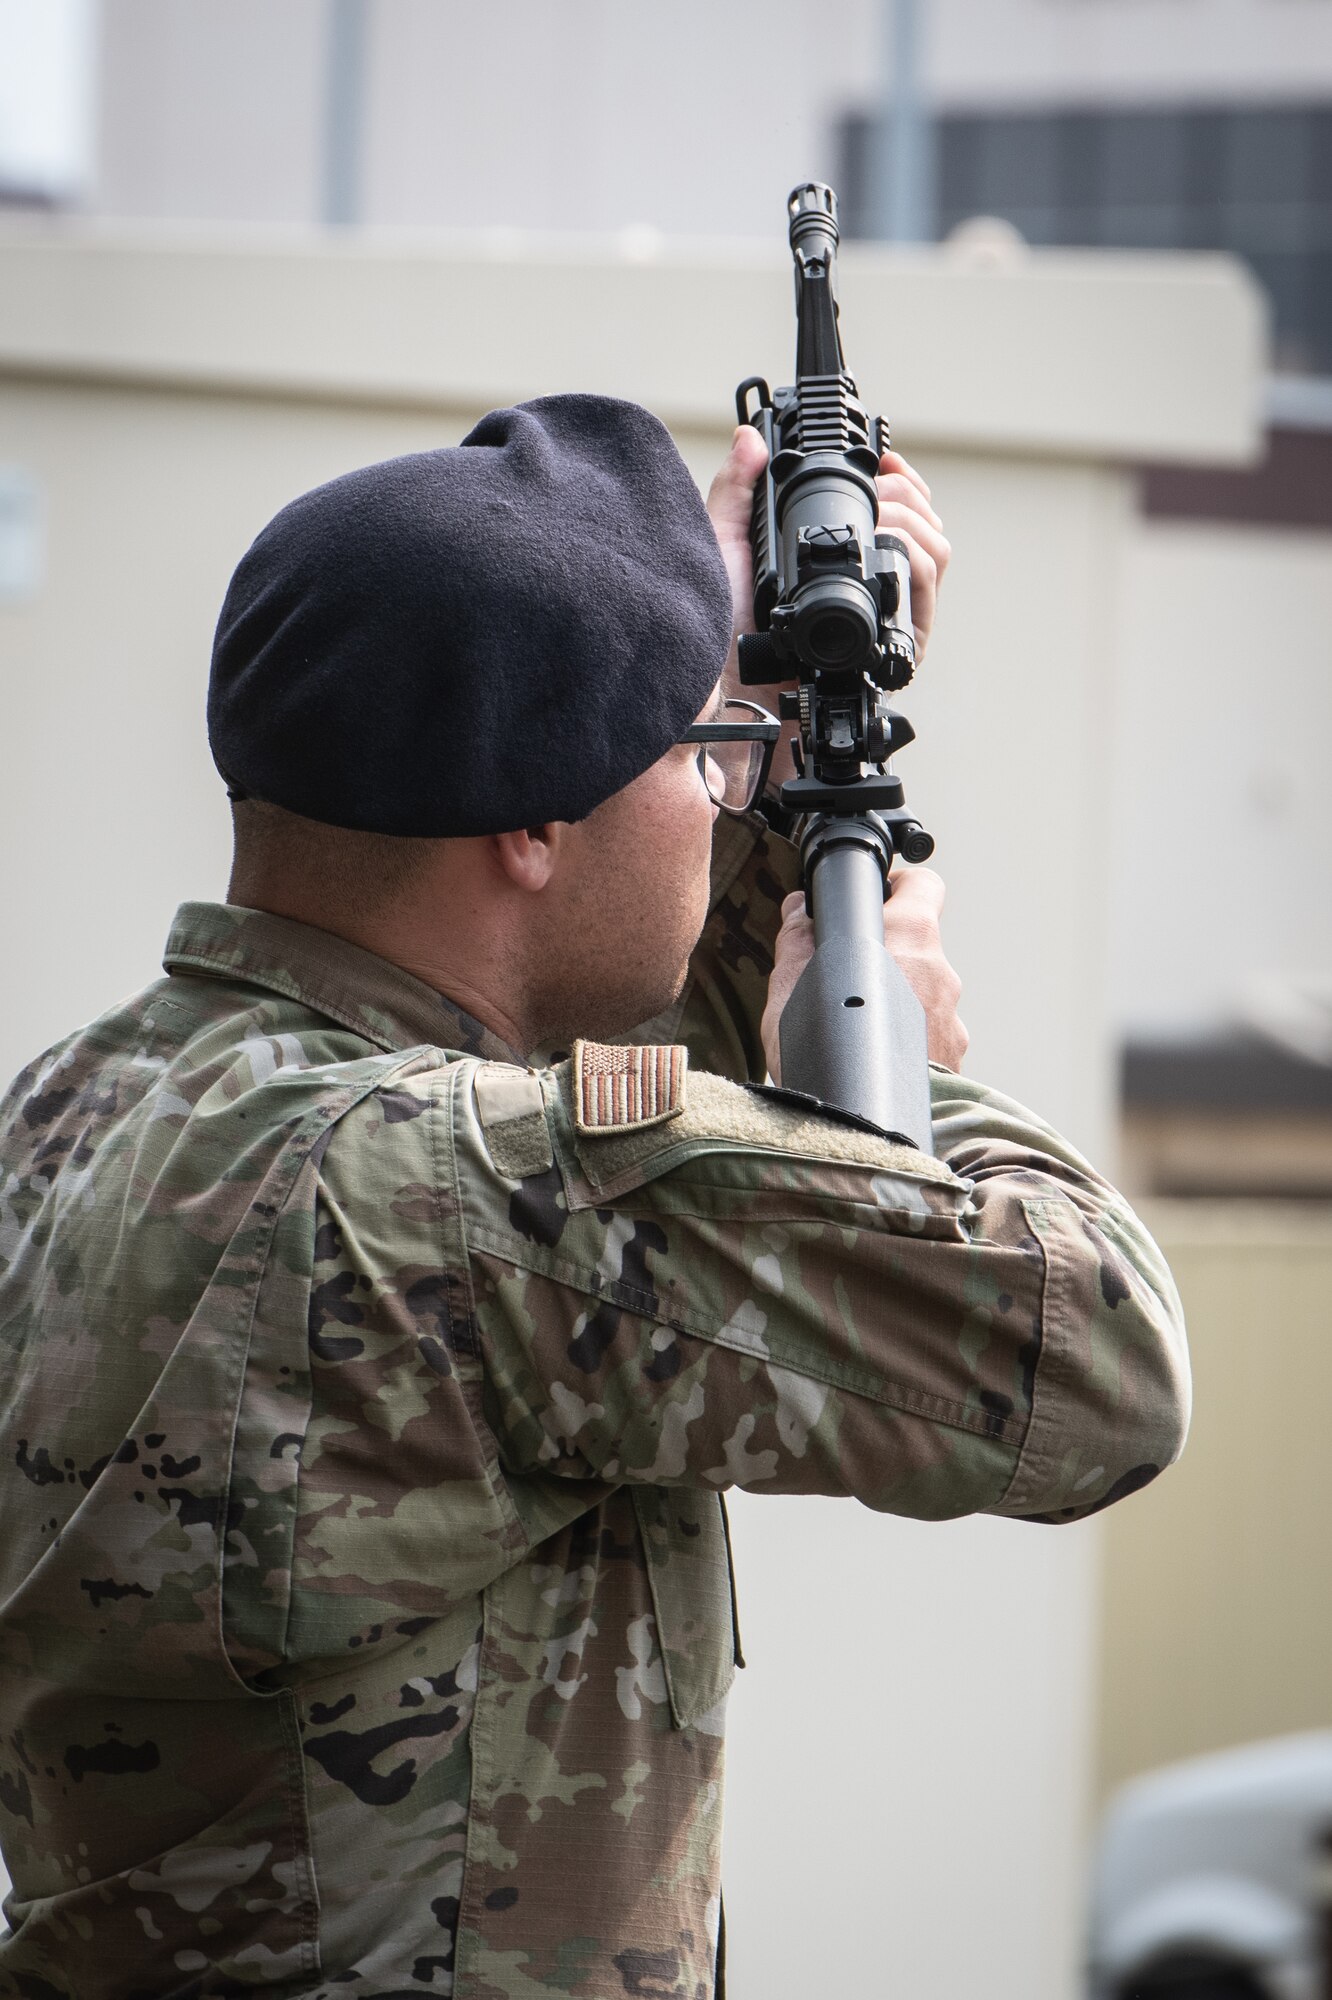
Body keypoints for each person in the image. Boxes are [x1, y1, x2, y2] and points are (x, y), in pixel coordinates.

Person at [0, 395, 1188, 2000]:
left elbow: (576, 1060)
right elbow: (1095, 1355)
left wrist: (743, 715)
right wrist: (901, 1049)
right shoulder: (457, 1197)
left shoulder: (76, 1110)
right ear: (533, 825)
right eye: (701, 756)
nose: (722, 792)